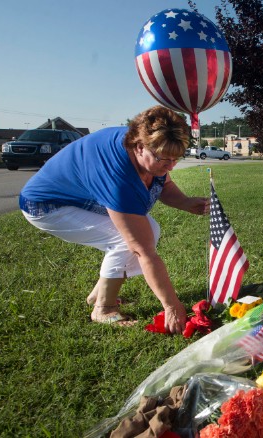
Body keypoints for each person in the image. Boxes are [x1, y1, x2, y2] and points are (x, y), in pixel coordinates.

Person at [18, 106, 208, 333]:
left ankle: (98, 295)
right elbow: (142, 251)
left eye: (177, 158)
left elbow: (163, 183)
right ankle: (103, 308)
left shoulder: (146, 145)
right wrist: (171, 305)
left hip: (76, 197)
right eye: (164, 159)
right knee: (126, 240)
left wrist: (185, 202)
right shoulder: (118, 175)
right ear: (139, 147)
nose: (171, 166)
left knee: (150, 229)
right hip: (45, 205)